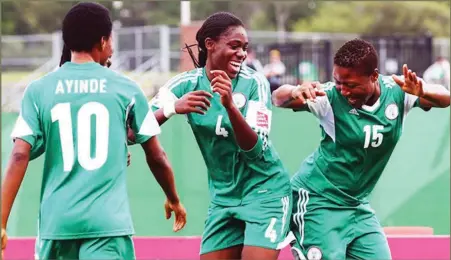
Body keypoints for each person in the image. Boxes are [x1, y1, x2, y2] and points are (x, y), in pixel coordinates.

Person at [1, 2, 187, 259]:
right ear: (102, 41)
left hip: (56, 224)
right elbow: (157, 156)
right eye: (111, 39)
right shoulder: (126, 89)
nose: (112, 46)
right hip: (107, 226)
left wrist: (1, 222)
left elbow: (20, 155)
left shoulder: (39, 89)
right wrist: (173, 198)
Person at [272, 38, 450, 260]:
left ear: (374, 76)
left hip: (356, 206)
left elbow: (445, 98)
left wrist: (422, 90)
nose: (344, 90)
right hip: (318, 201)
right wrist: (295, 91)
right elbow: (277, 98)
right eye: (339, 82)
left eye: (351, 84)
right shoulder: (328, 98)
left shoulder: (398, 93)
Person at [149, 11, 292, 260]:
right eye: (234, 46)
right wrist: (172, 108)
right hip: (224, 199)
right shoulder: (184, 84)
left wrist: (230, 106)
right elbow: (136, 129)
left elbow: (255, 148)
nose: (242, 54)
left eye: (245, 48)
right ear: (210, 44)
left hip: (265, 192)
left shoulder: (255, 83)